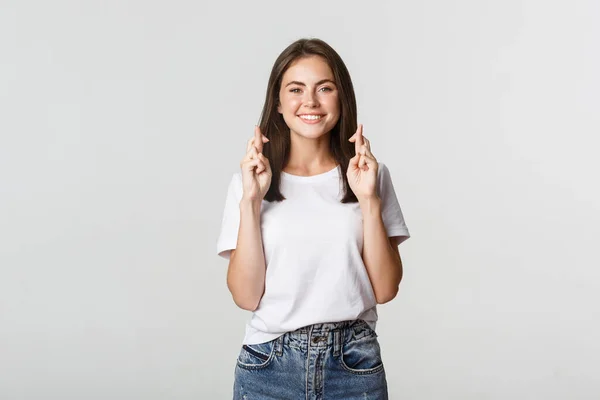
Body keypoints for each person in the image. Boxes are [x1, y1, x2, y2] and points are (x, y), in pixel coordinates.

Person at [216, 38, 410, 400]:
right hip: (268, 366)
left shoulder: (369, 175)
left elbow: (386, 289)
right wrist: (250, 202)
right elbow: (245, 296)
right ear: (277, 102)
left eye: (324, 88)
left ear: (341, 98)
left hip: (354, 365)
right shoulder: (250, 182)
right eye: (295, 89)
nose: (310, 102)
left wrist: (368, 199)